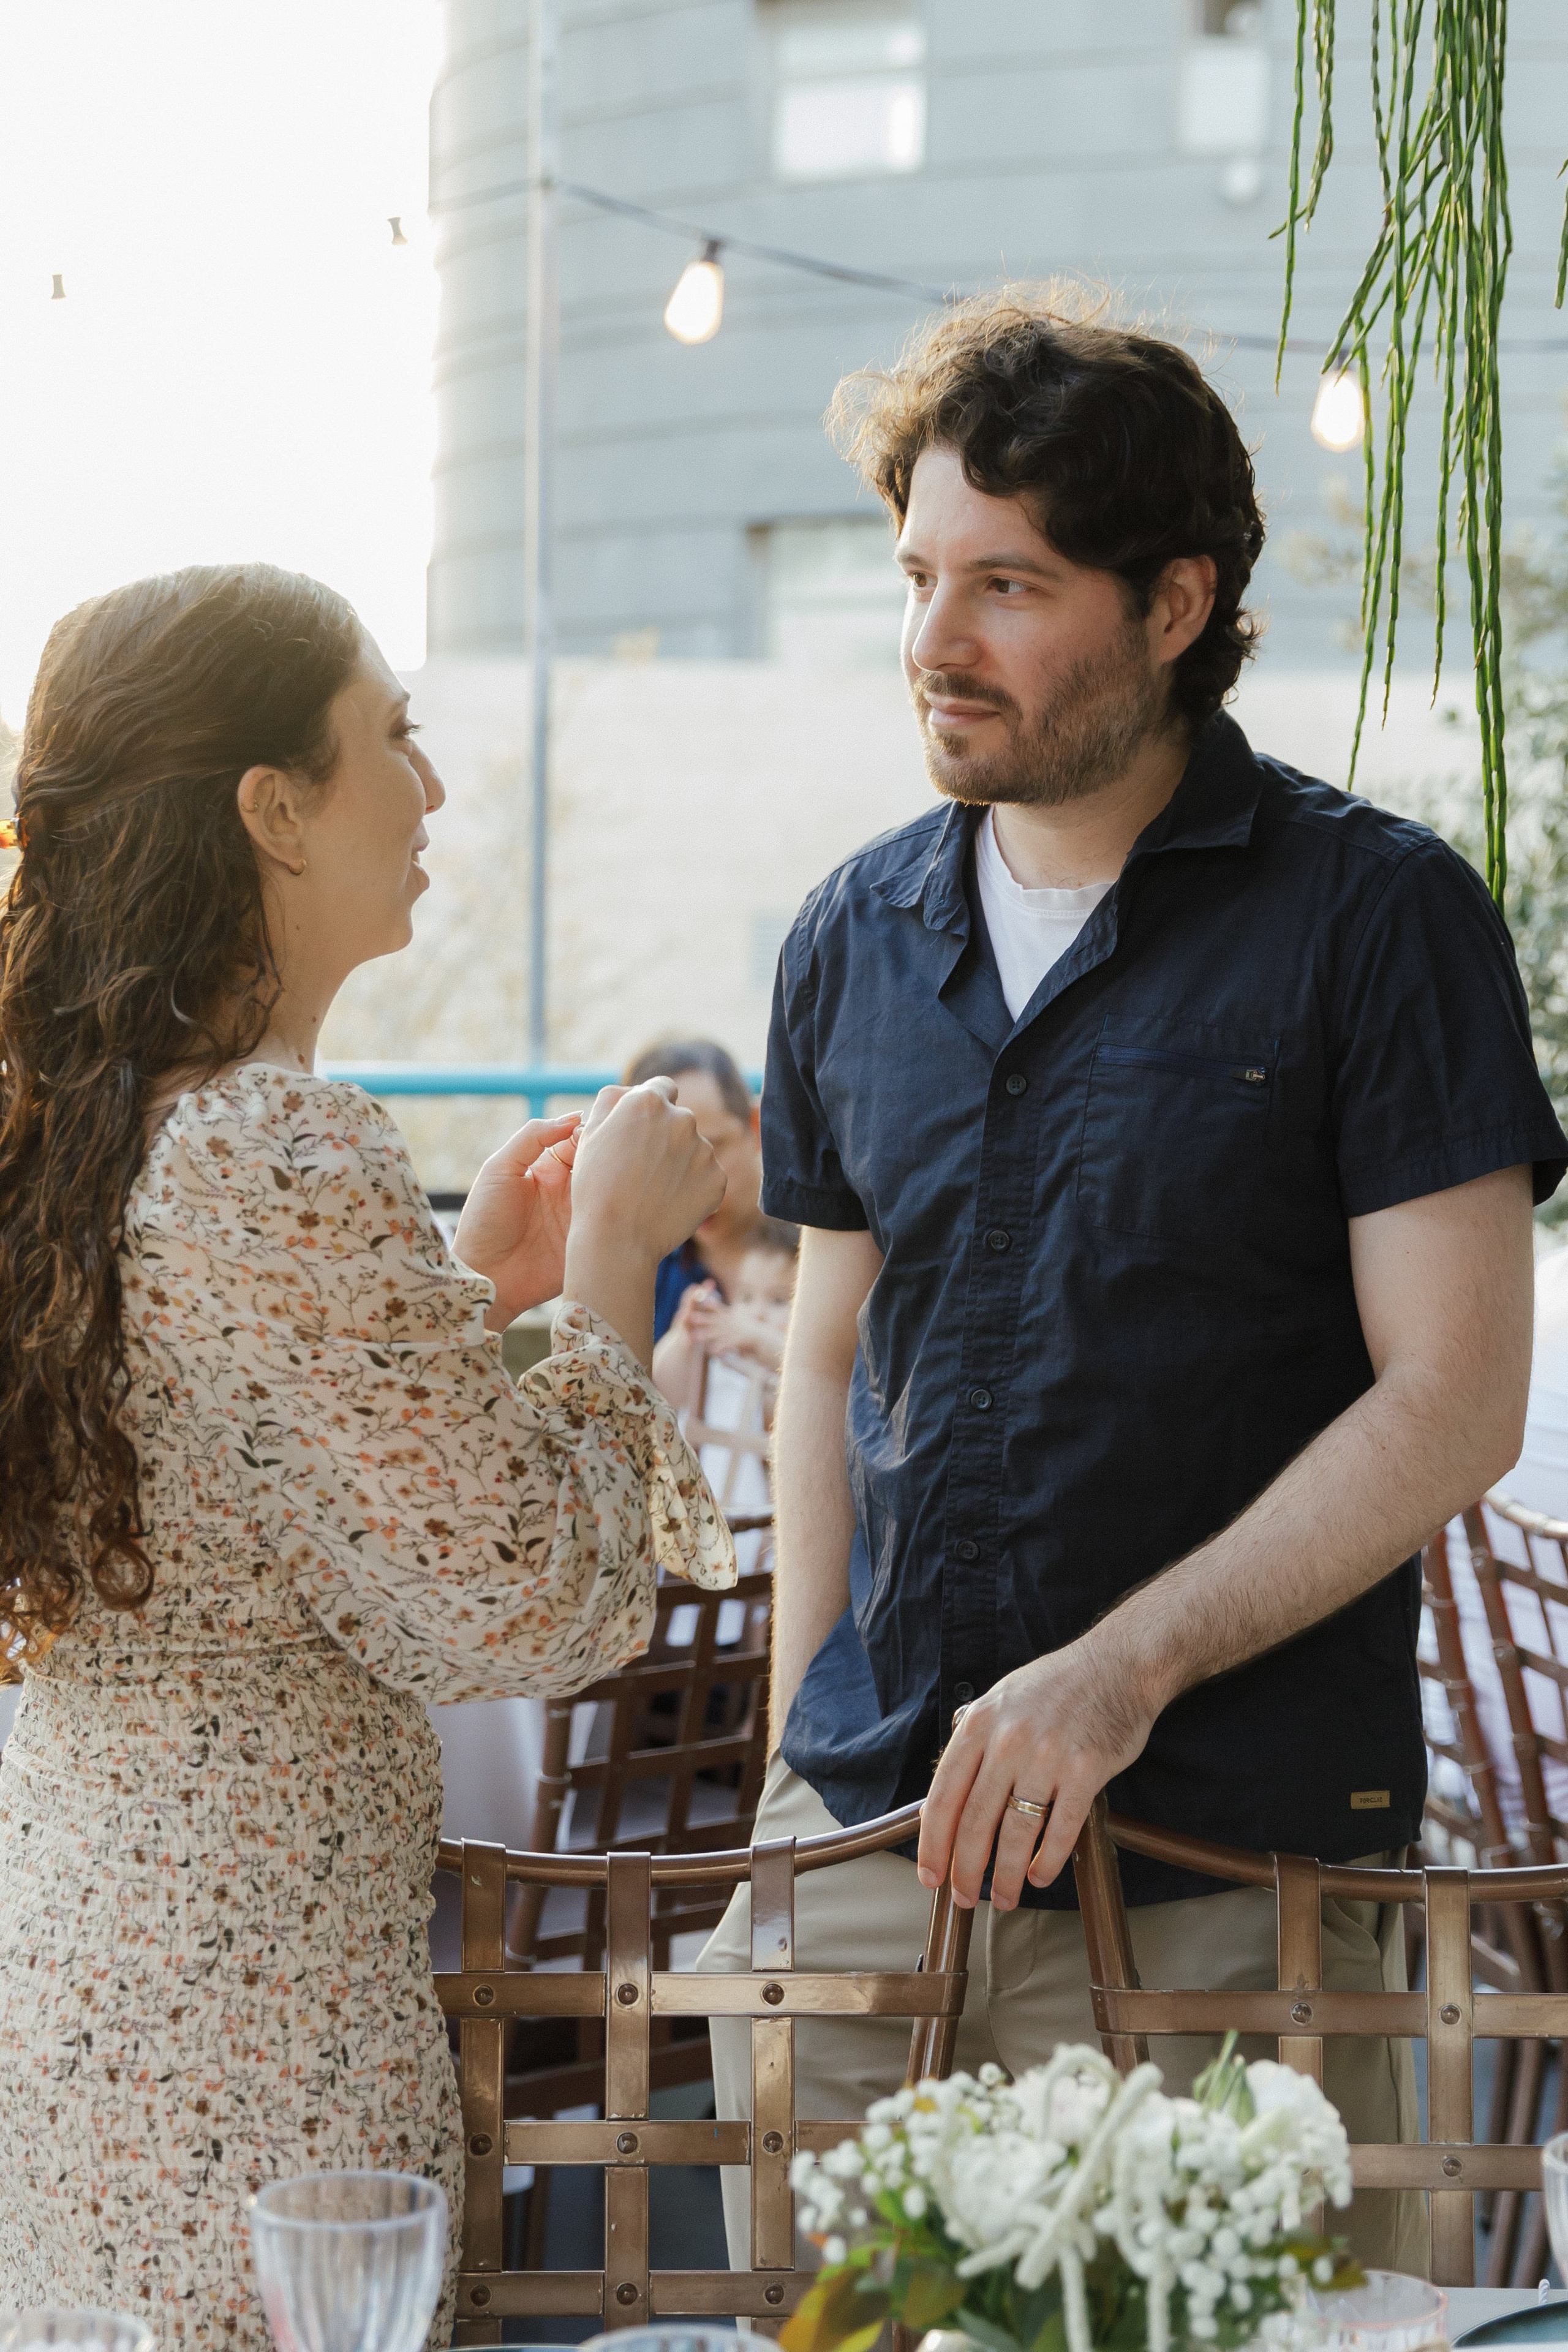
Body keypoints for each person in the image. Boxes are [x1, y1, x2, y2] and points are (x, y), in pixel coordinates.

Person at [697, 288, 1568, 2269]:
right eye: (919, 572)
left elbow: (1454, 1401)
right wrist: (788, 1777)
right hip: (866, 1863)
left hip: (1228, 1884)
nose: (934, 640)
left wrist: (1120, 1674)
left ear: (1175, 606)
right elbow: (830, 1358)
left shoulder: (1382, 920)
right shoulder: (849, 935)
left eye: (1007, 583)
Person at [0, 563, 735, 2348]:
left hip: (87, 1960)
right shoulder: (272, 1149)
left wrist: (466, 1298)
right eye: (390, 735)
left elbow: (236, 1470)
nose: (433, 784)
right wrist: (611, 1269)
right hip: (243, 2018)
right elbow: (540, 1608)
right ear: (272, 806)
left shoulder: (93, 1138)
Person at [654, 1219, 798, 1567]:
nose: (757, 1313)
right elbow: (664, 1391)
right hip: (709, 1496)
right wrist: (683, 1335)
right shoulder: (722, 1351)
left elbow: (800, 1384)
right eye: (746, 1297)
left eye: (779, 1300)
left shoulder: (792, 1357)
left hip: (761, 1517)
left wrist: (762, 1343)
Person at [622, 1038, 764, 1338]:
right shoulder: (640, 1268)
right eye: (661, 1163)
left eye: (711, 1149)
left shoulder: (824, 1245)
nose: (687, 1183)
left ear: (757, 1128)